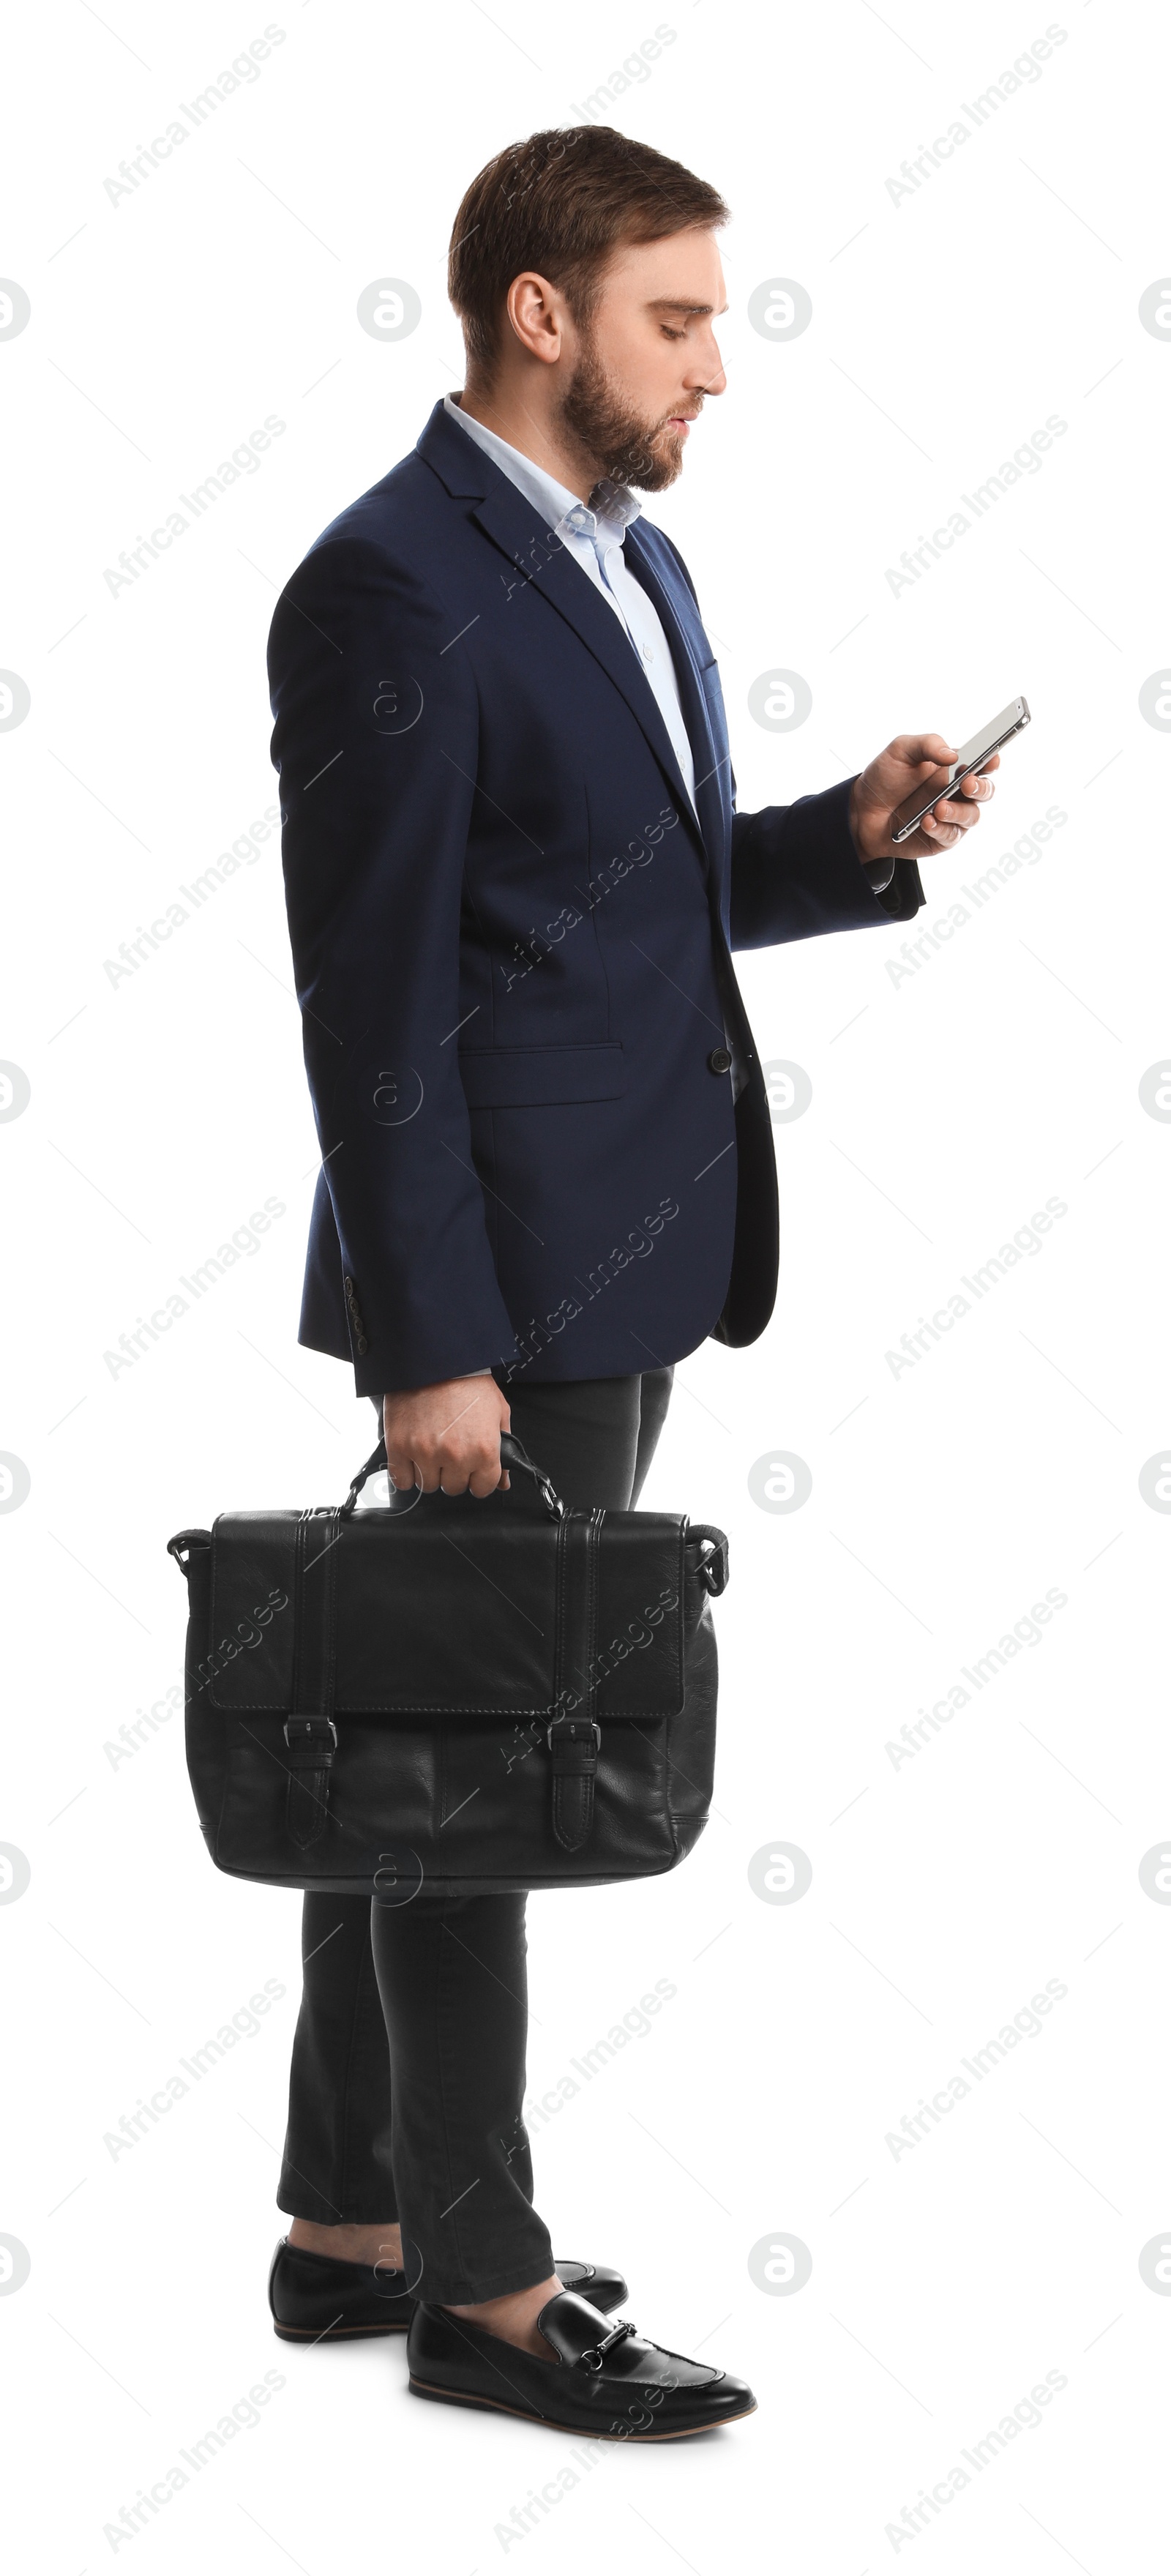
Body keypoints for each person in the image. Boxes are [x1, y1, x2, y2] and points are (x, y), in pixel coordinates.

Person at [263, 124, 997, 2438]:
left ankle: (349, 2218)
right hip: (502, 1294)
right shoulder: (388, 584)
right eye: (678, 318)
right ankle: (481, 2292)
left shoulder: (626, 559)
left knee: (409, 1734)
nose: (716, 364)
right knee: (480, 1783)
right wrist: (430, 1348)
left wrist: (838, 845)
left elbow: (622, 886)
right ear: (541, 315)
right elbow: (370, 1006)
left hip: (629, 1255)